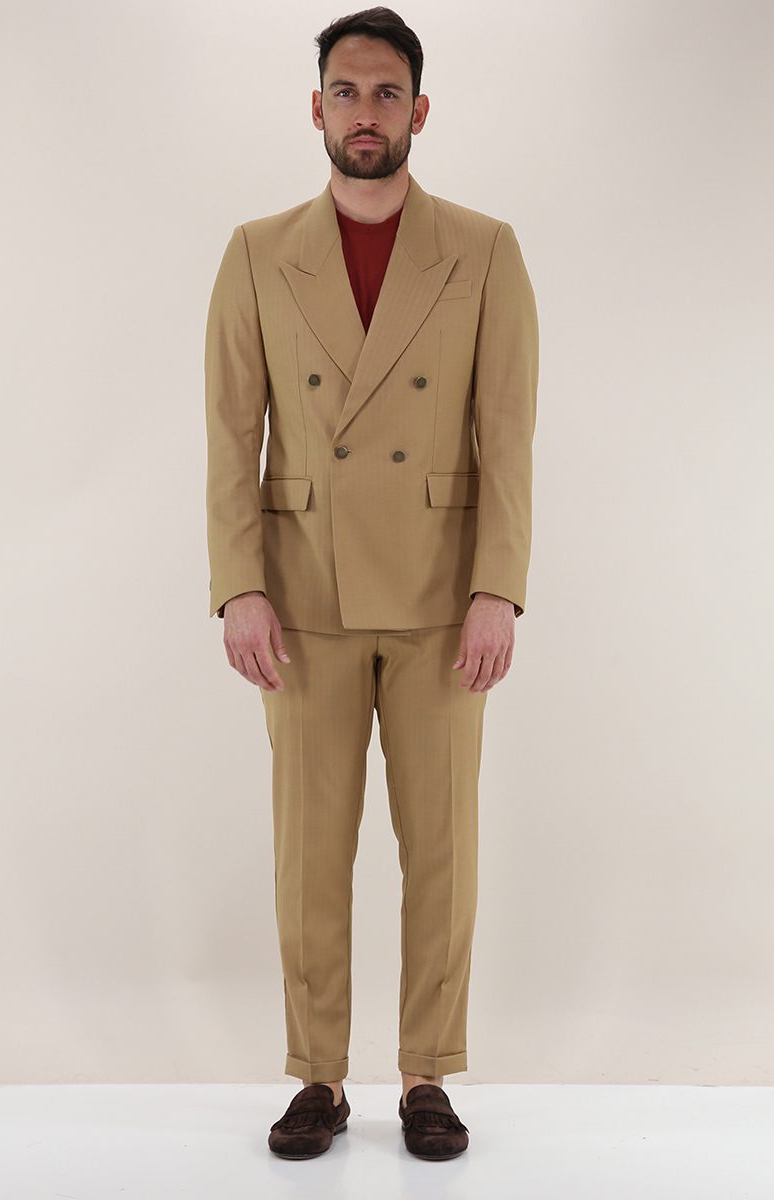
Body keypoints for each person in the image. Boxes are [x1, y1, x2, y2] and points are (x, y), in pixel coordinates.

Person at [205, 6, 538, 1162]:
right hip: (303, 598)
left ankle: (427, 1073)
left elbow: (508, 434)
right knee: (311, 851)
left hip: (445, 597)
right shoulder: (257, 252)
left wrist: (498, 586)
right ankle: (318, 1076)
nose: (365, 112)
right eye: (345, 92)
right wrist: (239, 585)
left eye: (386, 92)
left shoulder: (484, 249)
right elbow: (229, 436)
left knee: (441, 849)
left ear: (419, 111)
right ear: (316, 108)